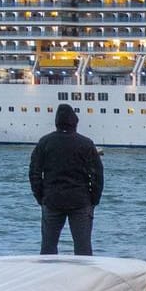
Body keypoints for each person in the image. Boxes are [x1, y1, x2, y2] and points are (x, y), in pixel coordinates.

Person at [29, 103, 103, 255]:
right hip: (81, 201)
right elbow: (97, 175)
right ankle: (85, 278)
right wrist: (93, 199)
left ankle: (49, 277)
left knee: (48, 249)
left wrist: (41, 197)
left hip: (52, 200)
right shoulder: (86, 143)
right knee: (83, 250)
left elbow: (34, 173)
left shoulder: (45, 142)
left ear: (56, 122)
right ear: (75, 122)